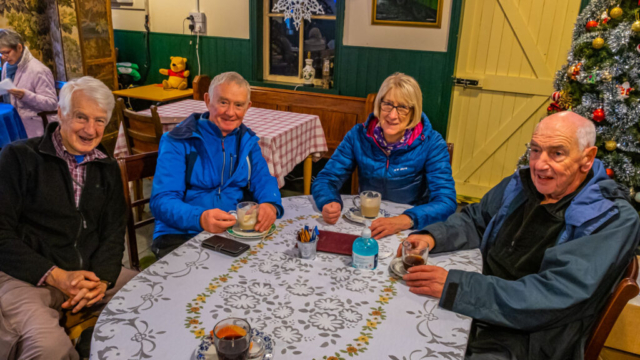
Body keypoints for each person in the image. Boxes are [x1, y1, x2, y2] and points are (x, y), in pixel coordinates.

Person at [398, 111, 640, 359]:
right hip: (483, 303)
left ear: (587, 159)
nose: (539, 164)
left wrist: (460, 289)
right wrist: (432, 237)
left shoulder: (612, 219)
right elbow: (476, 219)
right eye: (535, 150)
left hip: (529, 337)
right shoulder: (522, 184)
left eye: (557, 153)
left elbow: (553, 296)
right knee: (397, 321)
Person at [0, 76, 137, 360]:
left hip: (87, 273)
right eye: (81, 117)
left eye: (100, 120)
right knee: (48, 349)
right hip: (28, 276)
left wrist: (102, 280)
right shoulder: (18, 157)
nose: (90, 129)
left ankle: (90, 342)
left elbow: (113, 233)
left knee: (153, 296)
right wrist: (57, 276)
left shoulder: (106, 167)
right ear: (60, 113)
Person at [150, 71, 284, 257]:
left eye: (238, 105)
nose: (230, 112)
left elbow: (263, 179)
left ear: (247, 107)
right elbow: (161, 201)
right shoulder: (178, 140)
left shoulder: (247, 141)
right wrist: (200, 218)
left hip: (232, 230)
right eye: (223, 102)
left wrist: (270, 204)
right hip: (181, 233)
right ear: (207, 100)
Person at [312, 72, 456, 239]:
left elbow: (446, 201)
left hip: (409, 226)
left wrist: (404, 220)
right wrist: (329, 201)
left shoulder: (432, 142)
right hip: (366, 223)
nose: (392, 115)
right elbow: (326, 179)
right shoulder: (358, 135)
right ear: (379, 105)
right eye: (387, 104)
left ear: (414, 111)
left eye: (403, 107)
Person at [0, 29, 58, 138]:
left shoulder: (39, 70)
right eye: (1, 53)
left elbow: (51, 104)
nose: (3, 57)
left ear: (19, 47)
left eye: (6, 52)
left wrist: (25, 96)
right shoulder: (6, 66)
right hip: (13, 121)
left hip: (33, 127)